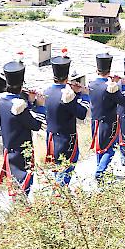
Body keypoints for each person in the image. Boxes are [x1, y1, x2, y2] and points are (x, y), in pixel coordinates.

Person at [0, 57, 45, 197]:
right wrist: (40, 106)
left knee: (16, 187)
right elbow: (35, 125)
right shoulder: (18, 106)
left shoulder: (3, 101)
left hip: (10, 150)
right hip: (21, 152)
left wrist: (29, 102)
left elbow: (19, 118)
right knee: (23, 187)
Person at [44, 49, 90, 186]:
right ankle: (59, 197)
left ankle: (58, 194)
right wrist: (83, 94)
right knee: (67, 167)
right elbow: (81, 114)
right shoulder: (68, 96)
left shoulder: (46, 91)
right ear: (67, 77)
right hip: (66, 139)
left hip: (51, 138)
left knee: (57, 167)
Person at [88, 53, 123, 182]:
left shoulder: (91, 84)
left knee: (99, 147)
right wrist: (118, 84)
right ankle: (100, 171)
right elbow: (123, 101)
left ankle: (100, 169)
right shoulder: (111, 87)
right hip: (108, 121)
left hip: (94, 120)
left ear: (97, 70)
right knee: (110, 147)